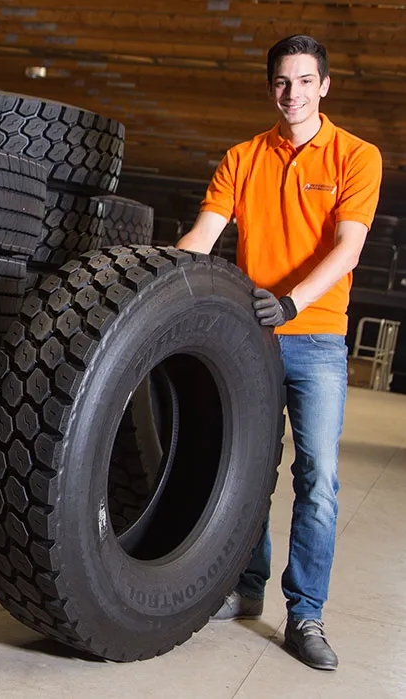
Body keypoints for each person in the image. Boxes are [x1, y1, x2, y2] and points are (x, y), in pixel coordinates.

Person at [176, 34, 382, 671]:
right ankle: (247, 588)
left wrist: (292, 303)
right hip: (251, 337)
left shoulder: (357, 156)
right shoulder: (243, 158)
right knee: (248, 472)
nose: (292, 93)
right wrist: (145, 285)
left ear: (325, 86)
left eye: (304, 81)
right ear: (271, 87)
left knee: (317, 480)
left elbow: (348, 248)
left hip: (315, 339)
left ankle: (306, 613)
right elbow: (203, 237)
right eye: (282, 82)